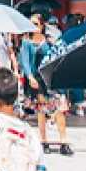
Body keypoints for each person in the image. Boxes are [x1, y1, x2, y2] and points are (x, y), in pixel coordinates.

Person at [16, 14, 72, 157]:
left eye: (35, 23)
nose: (33, 26)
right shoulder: (26, 42)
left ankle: (64, 141)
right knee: (41, 111)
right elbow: (25, 62)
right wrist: (29, 77)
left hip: (51, 80)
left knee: (59, 110)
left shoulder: (48, 41)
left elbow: (56, 56)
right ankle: (44, 140)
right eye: (31, 23)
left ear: (41, 25)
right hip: (37, 81)